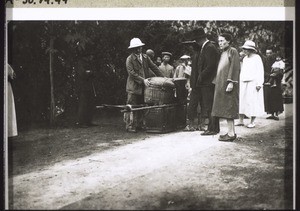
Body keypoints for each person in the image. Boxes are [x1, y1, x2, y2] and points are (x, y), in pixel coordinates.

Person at [183, 28, 220, 135]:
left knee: (209, 106)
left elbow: (211, 66)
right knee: (208, 105)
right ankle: (212, 128)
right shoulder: (205, 47)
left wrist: (201, 76)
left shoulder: (209, 47)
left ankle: (212, 129)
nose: (196, 42)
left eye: (197, 40)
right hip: (204, 81)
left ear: (200, 39)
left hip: (207, 82)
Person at [125, 38, 164, 132]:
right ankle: (130, 125)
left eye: (139, 47)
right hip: (133, 87)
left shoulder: (146, 57)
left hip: (144, 87)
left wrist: (163, 78)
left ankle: (139, 124)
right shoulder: (129, 59)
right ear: (132, 49)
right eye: (136, 48)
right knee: (131, 106)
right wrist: (143, 80)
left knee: (142, 105)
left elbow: (154, 67)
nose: (138, 50)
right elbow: (131, 73)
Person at [211, 33, 240, 142]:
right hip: (221, 84)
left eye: (222, 41)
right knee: (226, 108)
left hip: (229, 84)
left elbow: (235, 67)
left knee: (229, 107)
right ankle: (230, 132)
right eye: (219, 41)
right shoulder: (223, 53)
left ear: (228, 41)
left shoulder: (233, 51)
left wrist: (231, 82)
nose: (220, 43)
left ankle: (231, 133)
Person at [235, 40, 264, 128]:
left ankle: (252, 121)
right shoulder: (245, 59)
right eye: (244, 49)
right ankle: (241, 120)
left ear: (251, 50)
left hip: (253, 82)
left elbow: (260, 71)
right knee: (242, 100)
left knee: (252, 101)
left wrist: (259, 83)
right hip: (244, 81)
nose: (244, 51)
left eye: (246, 49)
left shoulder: (257, 58)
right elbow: (243, 71)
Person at [76, 50, 98, 128]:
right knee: (83, 104)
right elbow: (82, 74)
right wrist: (88, 73)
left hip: (90, 86)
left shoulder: (90, 63)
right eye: (91, 55)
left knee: (90, 104)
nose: (92, 57)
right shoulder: (81, 63)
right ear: (87, 56)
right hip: (82, 87)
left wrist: (89, 72)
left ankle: (88, 121)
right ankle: (81, 122)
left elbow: (94, 73)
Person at [262, 50, 284, 120]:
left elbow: (281, 72)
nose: (268, 55)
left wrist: (276, 76)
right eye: (267, 53)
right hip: (268, 80)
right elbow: (263, 71)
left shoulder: (278, 63)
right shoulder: (265, 62)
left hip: (276, 81)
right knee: (269, 97)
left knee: (276, 97)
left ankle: (276, 114)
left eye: (270, 53)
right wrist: (269, 75)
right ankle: (271, 113)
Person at [7, 64, 18, 137]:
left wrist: (8, 77)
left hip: (6, 87)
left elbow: (14, 75)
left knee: (8, 109)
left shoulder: (6, 65)